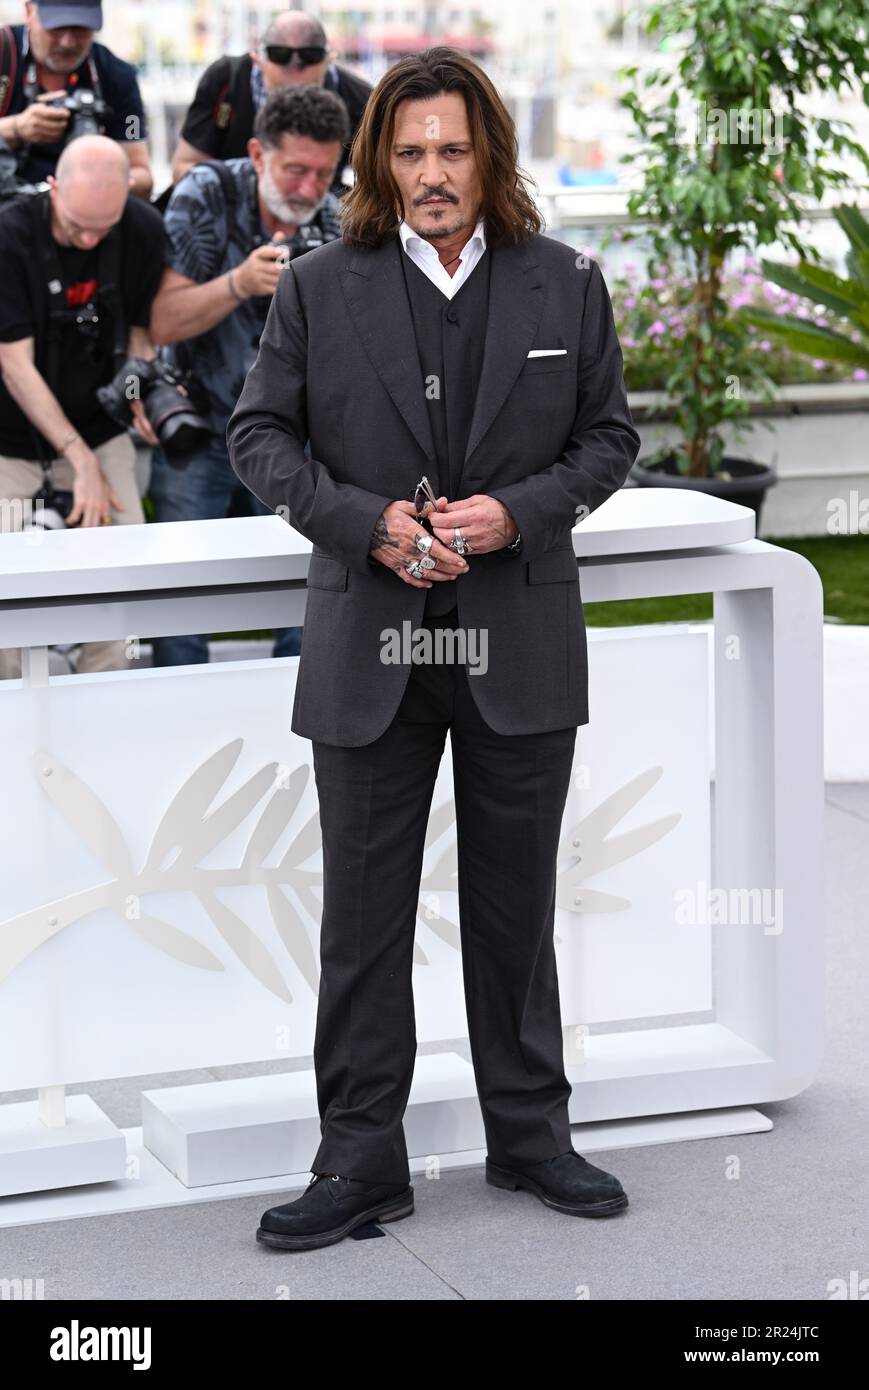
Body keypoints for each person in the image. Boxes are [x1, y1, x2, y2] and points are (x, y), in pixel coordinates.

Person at [228, 46, 641, 1252]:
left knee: (515, 908)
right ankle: (360, 1158)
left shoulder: (565, 281)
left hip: (516, 637)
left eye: (450, 149)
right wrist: (367, 528)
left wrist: (520, 511)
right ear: (378, 162)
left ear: (488, 154)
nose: (429, 174)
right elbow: (259, 435)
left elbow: (607, 438)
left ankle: (528, 1135)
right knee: (362, 920)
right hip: (371, 643)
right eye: (406, 152)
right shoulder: (315, 286)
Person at [148, 85, 347, 666]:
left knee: (308, 594)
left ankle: (298, 733)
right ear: (258, 154)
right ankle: (177, 726)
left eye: (323, 172)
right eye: (294, 170)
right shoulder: (204, 191)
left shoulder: (338, 216)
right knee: (179, 596)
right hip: (200, 426)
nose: (309, 189)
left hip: (294, 440)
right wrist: (239, 283)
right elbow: (161, 320)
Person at [0, 135, 163, 680]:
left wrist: (137, 393)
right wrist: (79, 460)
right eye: (77, 228)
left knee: (124, 575)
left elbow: (141, 334)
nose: (90, 238)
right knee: (5, 590)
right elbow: (14, 365)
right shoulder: (10, 234)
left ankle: (109, 701)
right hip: (9, 439)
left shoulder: (140, 229)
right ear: (53, 188)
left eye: (103, 228)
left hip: (98, 427)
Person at [169, 9, 370, 200]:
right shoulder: (226, 81)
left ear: (329, 61)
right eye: (279, 94)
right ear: (256, 59)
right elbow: (184, 169)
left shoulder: (361, 100)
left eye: (305, 94)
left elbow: (381, 180)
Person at [0, 1, 152, 198]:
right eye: (56, 28)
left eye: (81, 29)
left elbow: (141, 175)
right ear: (29, 11)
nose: (67, 42)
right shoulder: (4, 53)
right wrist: (16, 129)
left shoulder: (118, 77)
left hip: (86, 210)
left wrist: (101, 180)